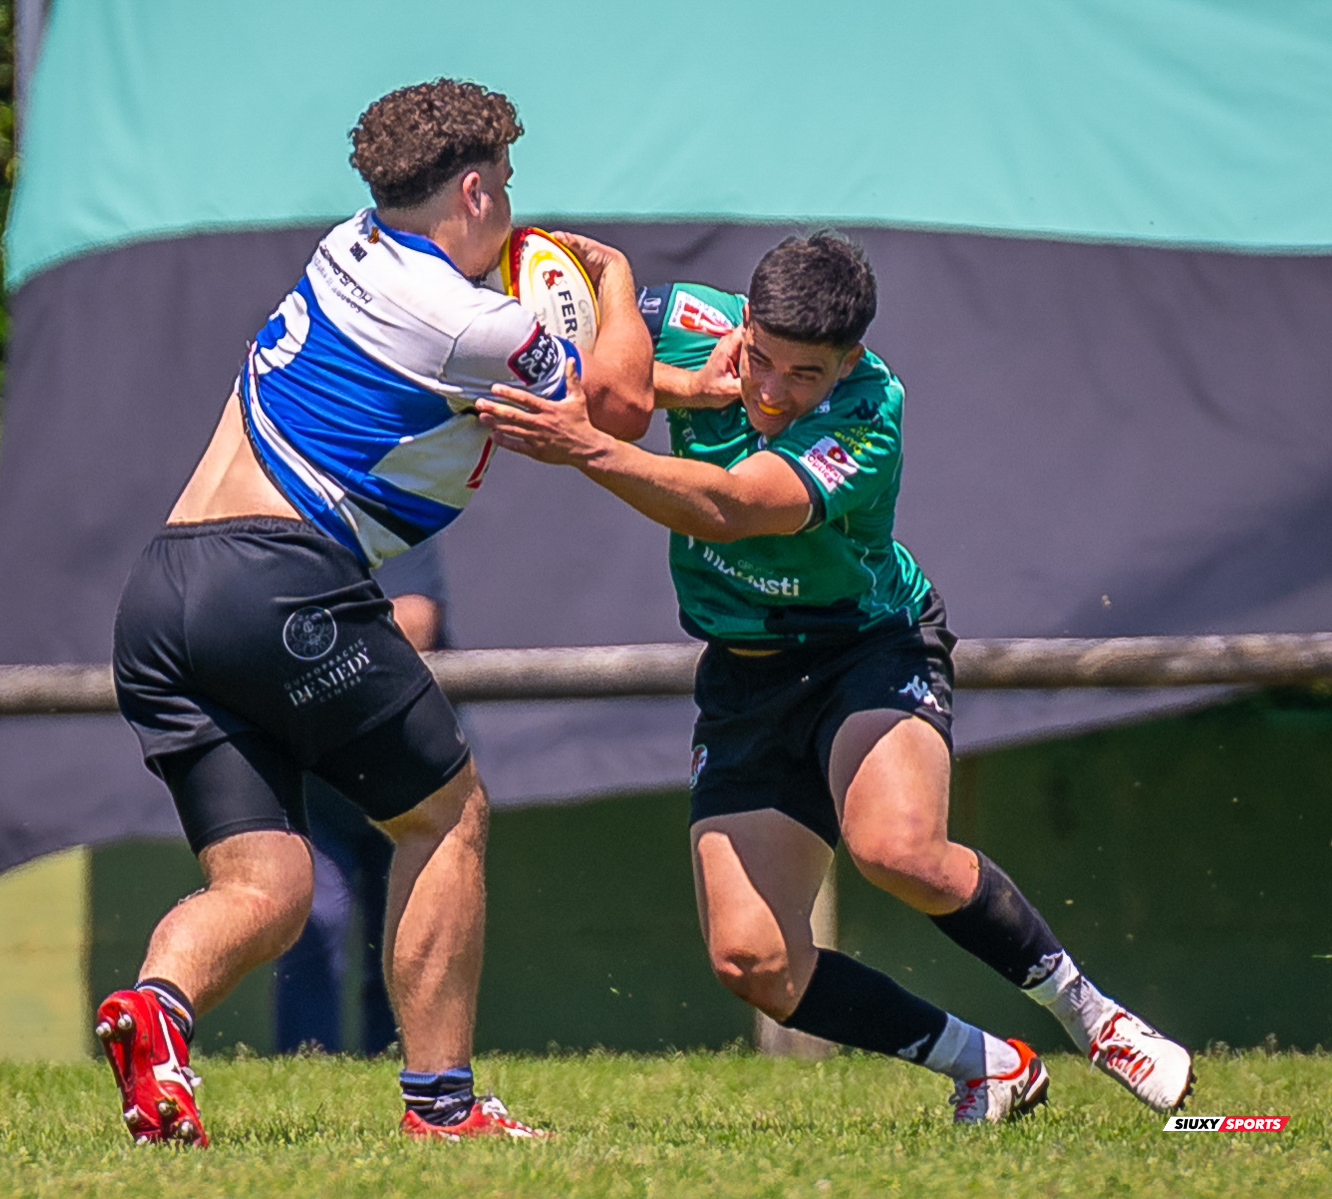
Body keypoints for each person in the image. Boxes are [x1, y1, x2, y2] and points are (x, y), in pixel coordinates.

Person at [476, 232, 1193, 1124]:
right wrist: (633, 309)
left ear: (846, 360)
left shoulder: (869, 408)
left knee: (896, 847)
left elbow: (732, 507)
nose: (771, 393)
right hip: (743, 674)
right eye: (761, 362)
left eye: (801, 377)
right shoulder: (688, 323)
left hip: (868, 647)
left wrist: (584, 447)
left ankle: (1094, 1019)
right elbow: (600, 384)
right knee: (753, 963)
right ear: (744, 318)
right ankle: (991, 1065)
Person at [100, 79, 653, 1145]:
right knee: (446, 814)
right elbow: (614, 410)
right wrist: (616, 280)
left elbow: (507, 379)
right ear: (480, 188)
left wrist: (702, 384)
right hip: (278, 577)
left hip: (164, 592)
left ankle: (155, 1013)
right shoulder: (470, 318)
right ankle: (443, 1106)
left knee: (270, 882)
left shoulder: (348, 245)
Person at [273, 542, 449, 1057]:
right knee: (312, 929)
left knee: (405, 941)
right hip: (312, 783)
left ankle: (415, 1078)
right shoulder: (275, 536)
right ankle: (306, 1074)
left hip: (406, 778)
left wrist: (306, 654)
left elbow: (414, 625)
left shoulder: (391, 516)